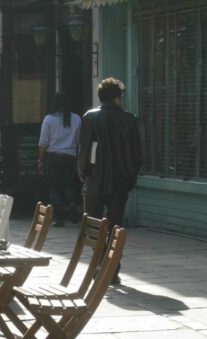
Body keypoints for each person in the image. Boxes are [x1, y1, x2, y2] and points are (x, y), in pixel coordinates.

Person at [78, 77, 142, 284]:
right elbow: (137, 155)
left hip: (95, 181)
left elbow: (84, 151)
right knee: (116, 226)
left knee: (95, 227)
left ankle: (99, 265)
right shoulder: (129, 120)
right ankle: (113, 268)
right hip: (120, 183)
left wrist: (83, 173)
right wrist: (130, 177)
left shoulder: (89, 118)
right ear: (117, 98)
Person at [38, 92, 81, 227]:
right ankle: (73, 205)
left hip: (53, 157)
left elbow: (43, 143)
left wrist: (40, 160)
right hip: (70, 157)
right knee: (69, 184)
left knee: (55, 188)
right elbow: (79, 141)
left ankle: (59, 218)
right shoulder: (76, 119)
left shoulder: (49, 119)